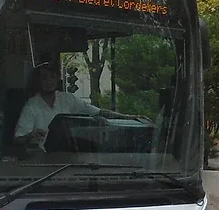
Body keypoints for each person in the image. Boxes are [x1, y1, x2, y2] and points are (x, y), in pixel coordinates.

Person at [13, 60, 144, 150]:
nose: (49, 81)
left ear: (57, 80)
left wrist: (129, 118)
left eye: (52, 77)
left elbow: (99, 112)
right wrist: (30, 136)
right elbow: (17, 140)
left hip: (70, 161)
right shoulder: (31, 106)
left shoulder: (67, 99)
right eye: (45, 77)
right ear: (38, 81)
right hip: (43, 163)